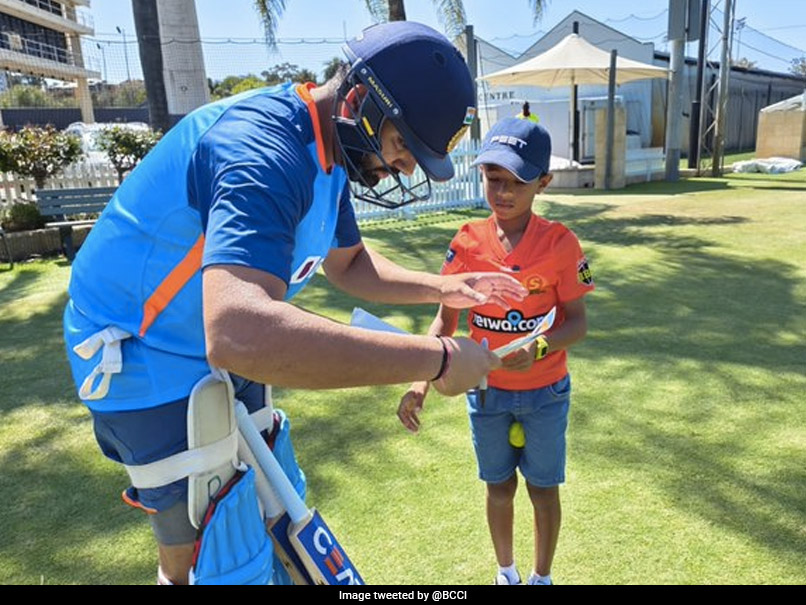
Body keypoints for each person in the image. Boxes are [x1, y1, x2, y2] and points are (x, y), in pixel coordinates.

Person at [63, 22, 528, 585]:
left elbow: (349, 263)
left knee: (279, 511)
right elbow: (237, 331)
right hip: (138, 347)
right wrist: (439, 359)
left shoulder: (329, 147)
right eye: (404, 144)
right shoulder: (263, 151)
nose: (405, 167)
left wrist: (441, 288)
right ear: (359, 100)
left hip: (207, 340)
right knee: (209, 553)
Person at [397, 117, 594, 585]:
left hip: (546, 392)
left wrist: (541, 346)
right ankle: (505, 573)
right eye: (493, 179)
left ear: (543, 182)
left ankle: (540, 578)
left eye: (517, 183)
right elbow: (445, 322)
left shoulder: (562, 244)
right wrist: (418, 383)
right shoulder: (466, 241)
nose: (502, 192)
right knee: (499, 487)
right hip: (485, 395)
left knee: (543, 491)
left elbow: (578, 323)